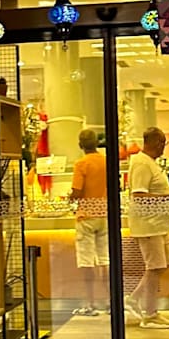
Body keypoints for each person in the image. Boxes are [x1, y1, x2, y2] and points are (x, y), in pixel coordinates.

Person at [127, 125, 169, 329]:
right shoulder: (141, 163)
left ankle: (134, 299)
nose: (164, 147)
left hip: (159, 224)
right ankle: (150, 314)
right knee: (154, 267)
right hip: (148, 225)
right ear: (155, 143)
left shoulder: (150, 163)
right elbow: (138, 195)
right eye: (163, 143)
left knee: (163, 265)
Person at [70, 128, 108, 316]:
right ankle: (110, 301)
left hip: (86, 216)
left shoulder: (81, 164)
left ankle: (90, 303)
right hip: (104, 214)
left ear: (80, 145)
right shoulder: (106, 161)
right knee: (105, 259)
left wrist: (70, 198)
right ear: (97, 143)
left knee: (86, 261)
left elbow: (77, 192)